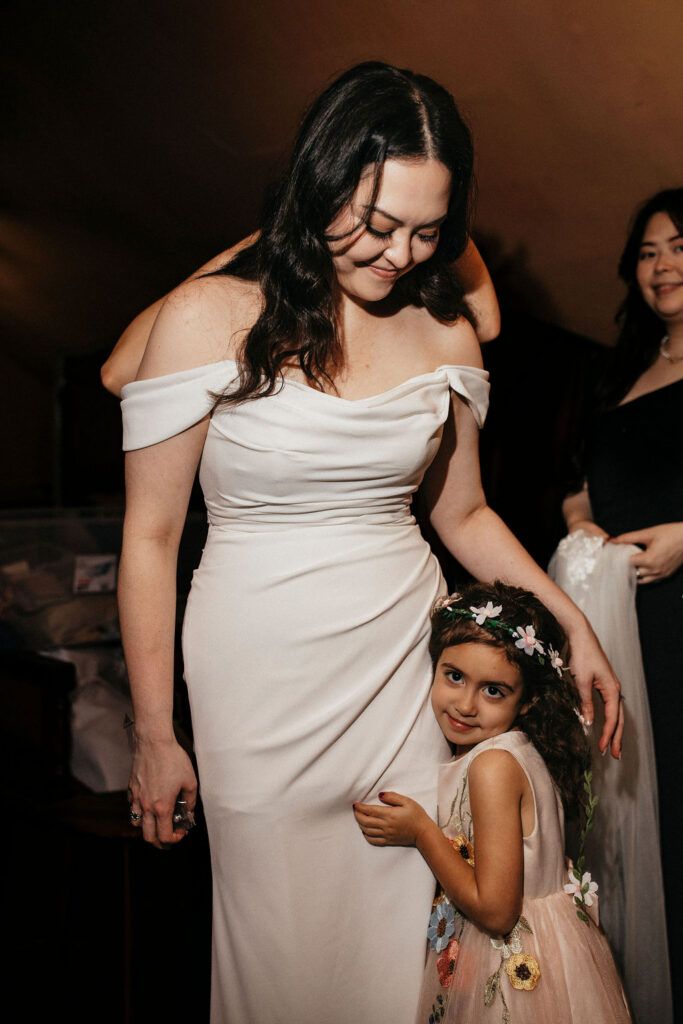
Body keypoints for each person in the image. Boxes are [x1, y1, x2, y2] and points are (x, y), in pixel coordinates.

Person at [112, 62, 623, 1023]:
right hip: (256, 676)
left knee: (409, 943)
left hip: (399, 666)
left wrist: (573, 629)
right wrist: (153, 730)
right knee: (277, 944)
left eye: (427, 232)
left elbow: (463, 515)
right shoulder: (205, 317)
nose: (398, 255)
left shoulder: (444, 335)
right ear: (318, 187)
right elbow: (149, 535)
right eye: (376, 225)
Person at [354, 581, 631, 1024]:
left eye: (494, 690)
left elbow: (498, 913)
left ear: (528, 699)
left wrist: (422, 832)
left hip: (512, 964)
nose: (465, 705)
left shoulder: (493, 767)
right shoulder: (511, 751)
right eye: (455, 676)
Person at [560, 188, 683, 1021]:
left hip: (680, 615)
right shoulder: (619, 367)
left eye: (679, 246)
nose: (662, 264)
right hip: (618, 616)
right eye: (646, 252)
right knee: (619, 799)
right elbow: (576, 483)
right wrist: (579, 527)